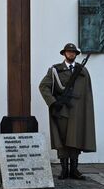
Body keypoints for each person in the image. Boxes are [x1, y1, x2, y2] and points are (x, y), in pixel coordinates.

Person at [38, 43, 96, 179]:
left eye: (73, 52)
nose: (71, 54)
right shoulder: (55, 70)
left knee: (75, 140)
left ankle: (74, 170)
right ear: (64, 54)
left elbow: (87, 92)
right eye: (68, 52)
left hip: (77, 113)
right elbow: (43, 86)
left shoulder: (83, 71)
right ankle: (64, 170)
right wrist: (53, 102)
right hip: (62, 111)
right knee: (62, 140)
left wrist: (85, 111)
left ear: (76, 54)